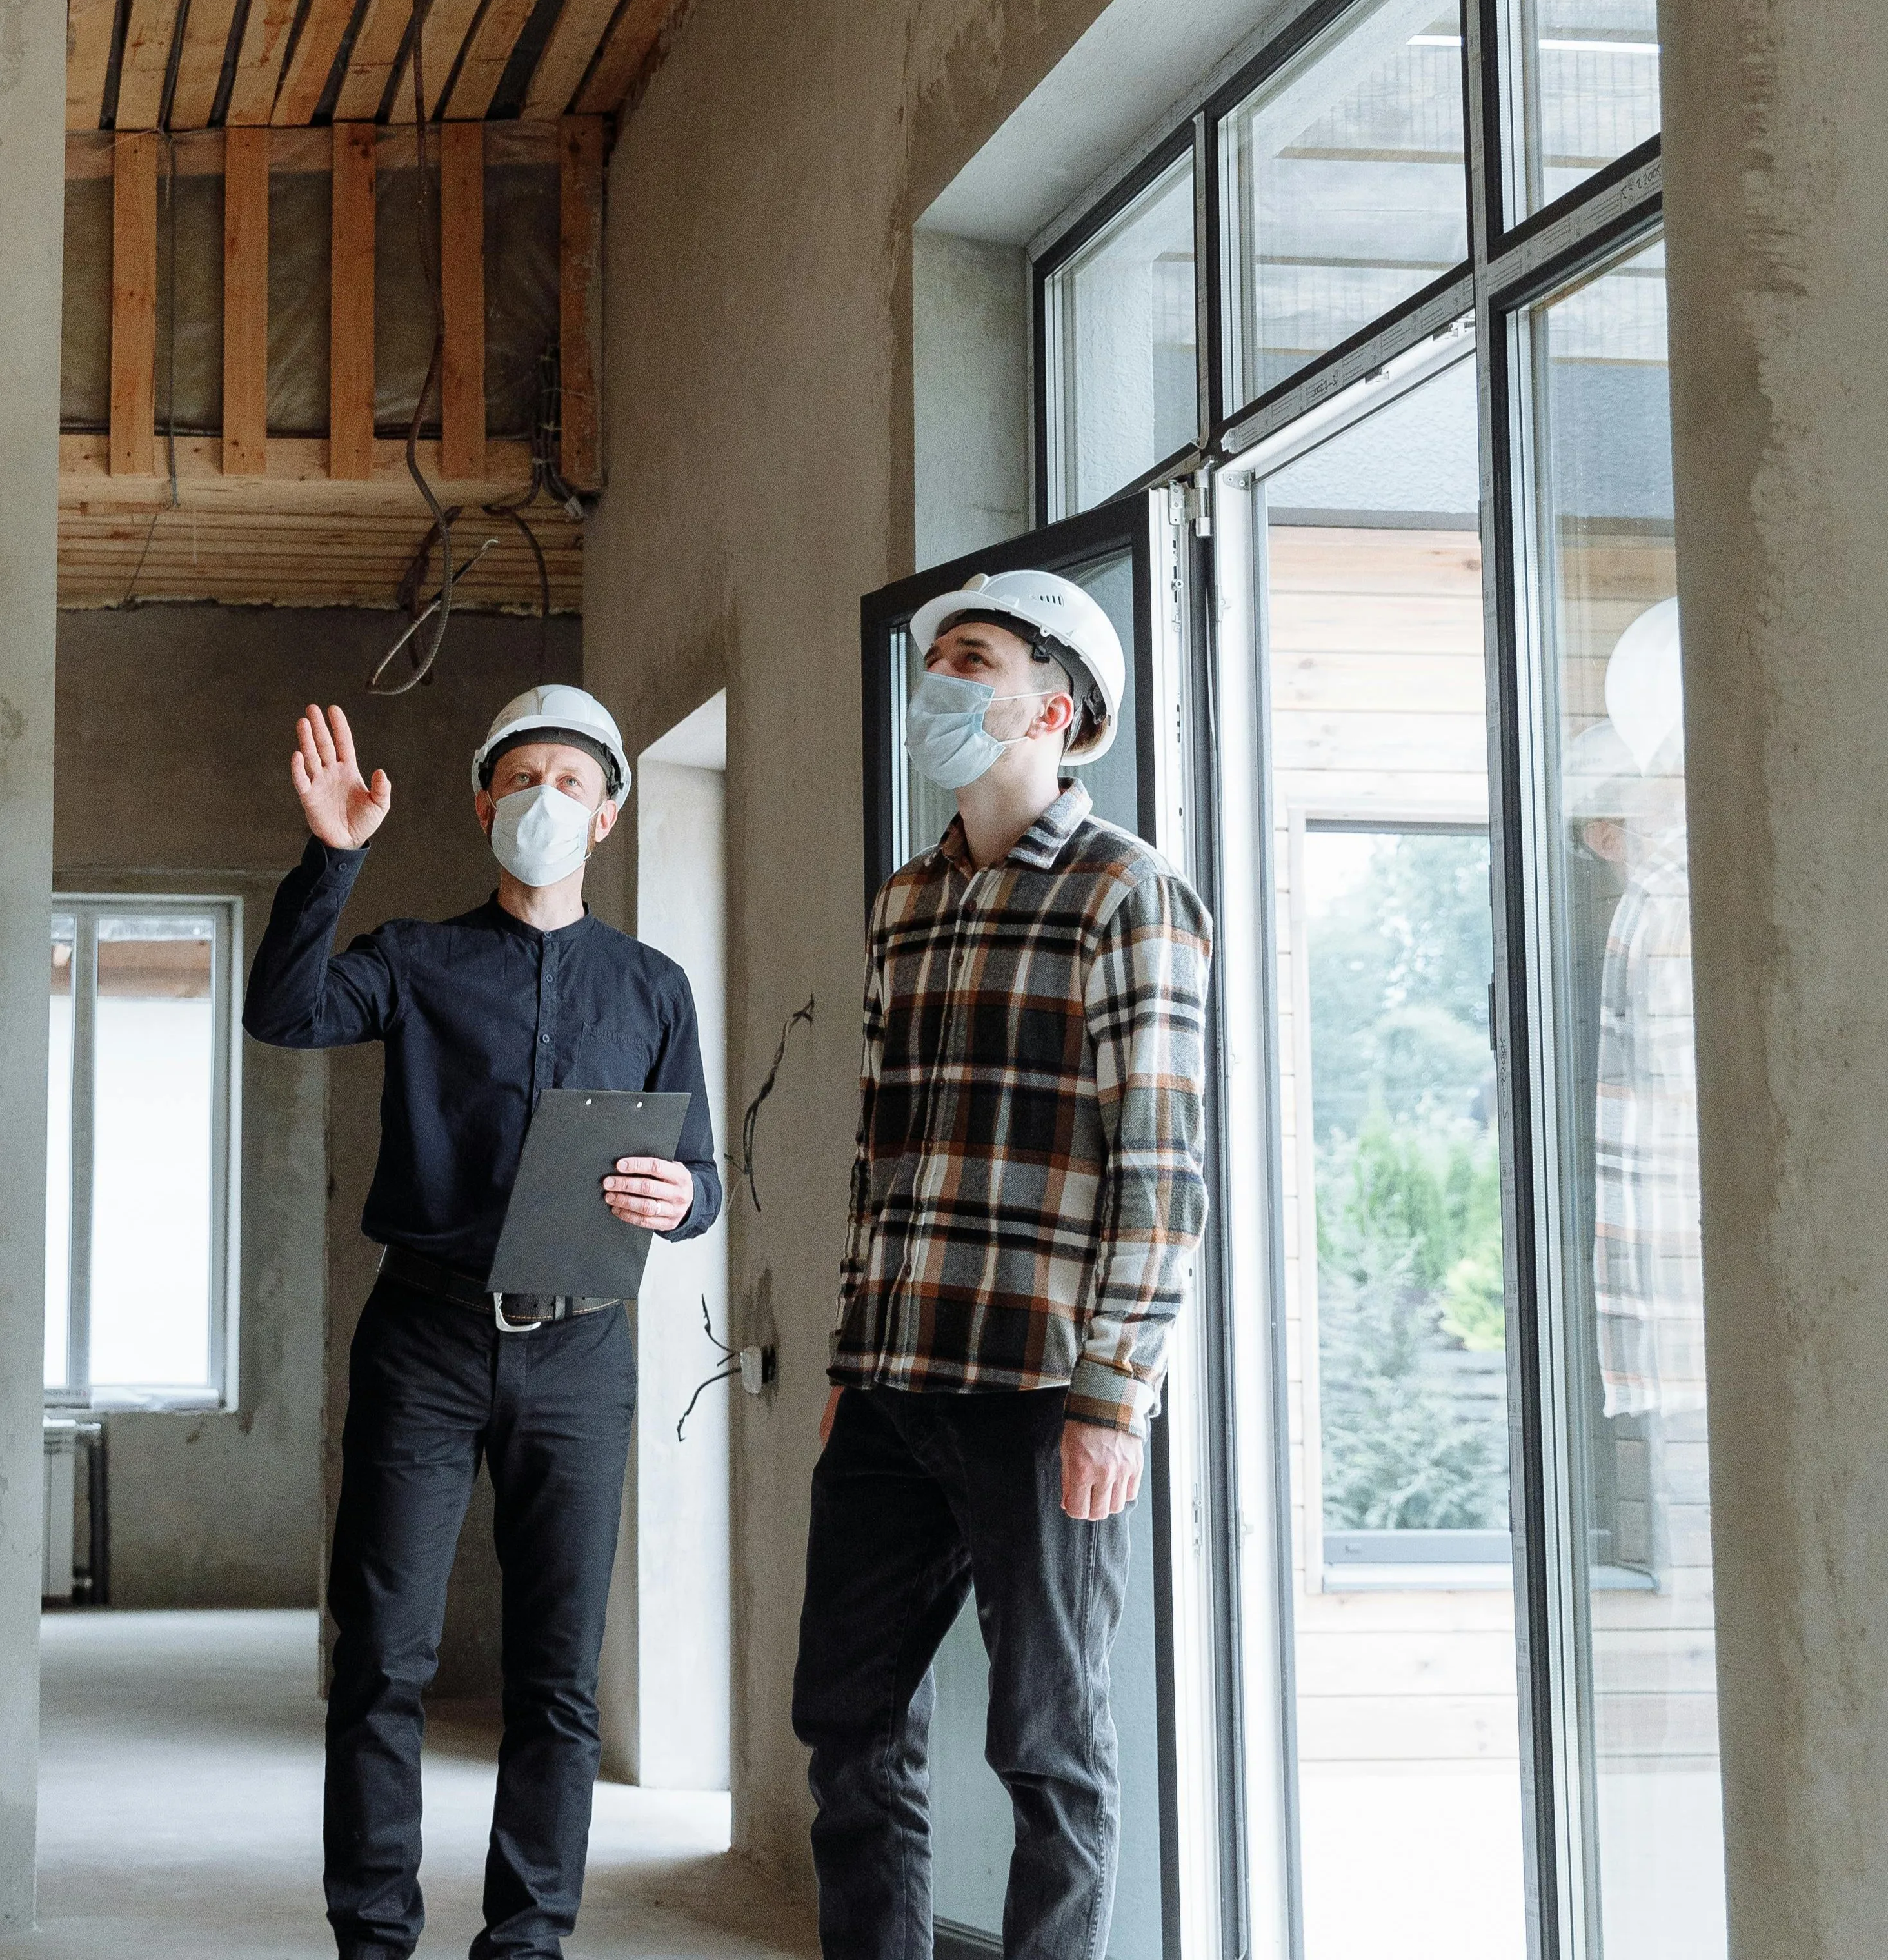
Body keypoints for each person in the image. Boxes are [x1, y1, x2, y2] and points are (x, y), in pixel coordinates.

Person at [246, 687, 722, 1960]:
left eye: (571, 780)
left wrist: (684, 1197)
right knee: (379, 1658)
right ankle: (373, 1937)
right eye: (520, 779)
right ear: (480, 805)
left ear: (608, 813)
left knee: (555, 1675)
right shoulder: (412, 957)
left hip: (581, 1348)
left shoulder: (653, 984)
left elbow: (703, 1176)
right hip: (426, 1335)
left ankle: (526, 1938)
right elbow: (282, 1013)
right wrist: (331, 857)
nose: (544, 800)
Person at [793, 575, 1211, 1960]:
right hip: (895, 1376)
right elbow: (879, 1148)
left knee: (1048, 1750)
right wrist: (852, 1354)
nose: (935, 680)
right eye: (928, 659)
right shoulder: (904, 901)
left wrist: (1114, 1390)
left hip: (1037, 1391)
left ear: (1057, 708)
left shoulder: (1126, 893)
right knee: (846, 1729)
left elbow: (1159, 1165)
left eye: (966, 659)